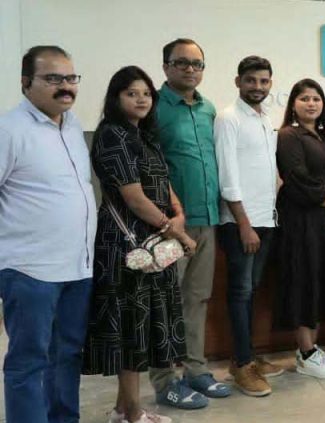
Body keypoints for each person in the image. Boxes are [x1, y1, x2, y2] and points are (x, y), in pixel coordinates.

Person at [83, 65, 196, 423]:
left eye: (146, 93)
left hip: (153, 241)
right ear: (116, 98)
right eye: (132, 93)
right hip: (127, 246)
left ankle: (123, 409)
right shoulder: (112, 135)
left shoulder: (143, 134)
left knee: (142, 328)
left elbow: (163, 181)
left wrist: (178, 213)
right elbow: (133, 197)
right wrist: (176, 231)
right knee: (131, 330)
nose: (141, 99)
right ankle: (133, 414)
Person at [0, 45, 96, 423]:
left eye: (70, 78)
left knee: (67, 354)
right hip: (30, 270)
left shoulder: (71, 125)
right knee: (28, 361)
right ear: (26, 83)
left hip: (77, 267)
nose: (65, 86)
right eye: (53, 78)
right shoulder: (9, 129)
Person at [150, 38, 232, 407]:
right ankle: (164, 380)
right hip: (169, 226)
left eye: (197, 64)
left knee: (197, 299)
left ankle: (195, 370)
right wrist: (168, 217)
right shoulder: (153, 108)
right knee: (165, 304)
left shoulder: (208, 108)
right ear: (166, 66)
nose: (190, 69)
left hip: (207, 220)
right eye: (181, 62)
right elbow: (149, 166)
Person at [275, 78, 325, 380]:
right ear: (293, 104)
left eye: (316, 98)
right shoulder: (288, 135)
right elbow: (297, 179)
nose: (311, 104)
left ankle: (312, 349)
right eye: (304, 98)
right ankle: (306, 352)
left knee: (321, 280)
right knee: (304, 280)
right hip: (301, 219)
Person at [213, 55, 282, 397]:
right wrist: (243, 224)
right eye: (251, 80)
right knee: (240, 293)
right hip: (242, 222)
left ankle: (248, 357)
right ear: (238, 81)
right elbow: (227, 177)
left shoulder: (265, 117)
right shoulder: (228, 118)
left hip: (266, 218)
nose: (258, 86)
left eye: (264, 81)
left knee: (251, 291)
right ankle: (241, 365)